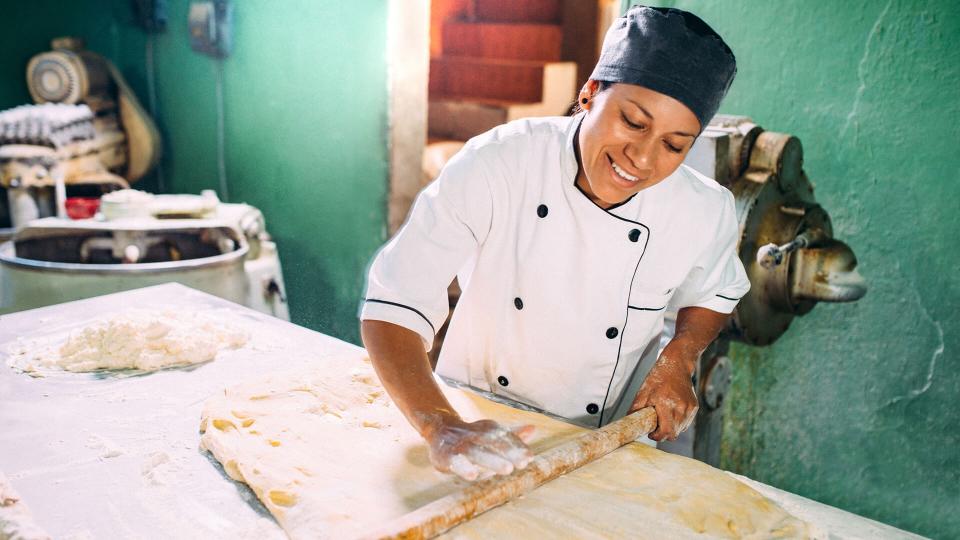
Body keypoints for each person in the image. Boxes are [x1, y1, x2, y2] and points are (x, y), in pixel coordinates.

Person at [359, 5, 749, 481]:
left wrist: (680, 355)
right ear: (588, 94)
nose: (642, 158)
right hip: (473, 424)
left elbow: (716, 292)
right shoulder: (500, 162)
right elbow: (393, 304)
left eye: (673, 145)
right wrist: (439, 425)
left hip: (602, 448)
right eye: (633, 121)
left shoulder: (703, 210)